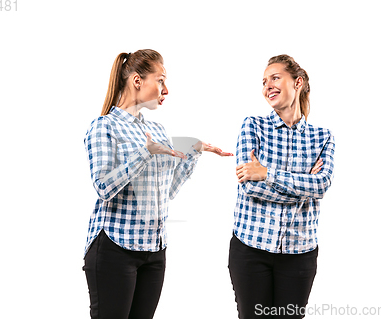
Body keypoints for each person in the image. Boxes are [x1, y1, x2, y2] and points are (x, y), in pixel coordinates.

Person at [82, 49, 232, 319]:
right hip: (115, 248)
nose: (166, 89)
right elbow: (103, 187)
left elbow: (168, 190)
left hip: (154, 250)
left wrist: (193, 152)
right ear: (137, 81)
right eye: (160, 80)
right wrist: (145, 152)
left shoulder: (159, 130)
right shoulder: (104, 127)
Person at [229, 54, 335, 319]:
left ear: (297, 82)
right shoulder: (253, 126)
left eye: (275, 78)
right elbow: (250, 188)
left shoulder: (322, 137)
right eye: (264, 81)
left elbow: (321, 185)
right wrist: (303, 188)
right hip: (251, 249)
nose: (268, 86)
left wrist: (266, 174)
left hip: (300, 253)